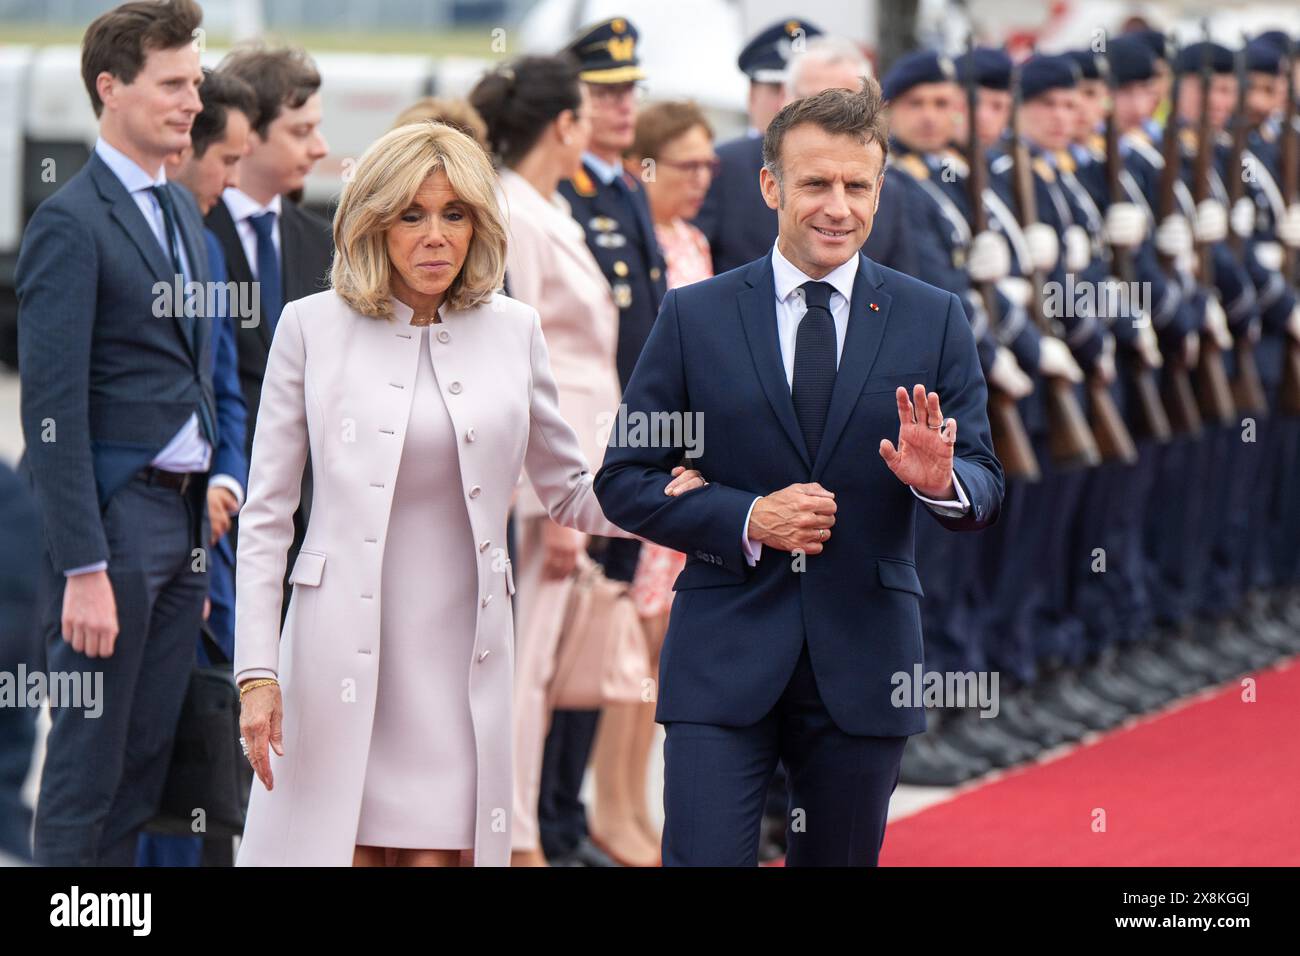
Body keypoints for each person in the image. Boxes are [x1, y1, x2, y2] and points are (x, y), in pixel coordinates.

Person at [232, 120, 700, 867]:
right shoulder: (309, 327)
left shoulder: (513, 330)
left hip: (460, 662)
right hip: (330, 662)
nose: (435, 236)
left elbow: (571, 491)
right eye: (411, 215)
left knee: (440, 852)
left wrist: (680, 501)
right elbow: (265, 519)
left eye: (455, 215)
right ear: (373, 222)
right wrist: (257, 673)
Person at [595, 84, 1004, 866]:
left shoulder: (932, 317)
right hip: (722, 656)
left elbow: (984, 485)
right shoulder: (697, 316)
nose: (837, 207)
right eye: (816, 183)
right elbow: (626, 478)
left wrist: (937, 483)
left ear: (880, 190)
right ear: (771, 185)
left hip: (865, 657)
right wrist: (748, 518)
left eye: (857, 186)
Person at [16, 0, 216, 866]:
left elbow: (199, 380)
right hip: (114, 527)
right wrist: (83, 567)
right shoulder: (70, 222)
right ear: (111, 88)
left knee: (142, 767)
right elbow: (50, 409)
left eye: (197, 83)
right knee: (87, 767)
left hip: (180, 528)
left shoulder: (182, 218)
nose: (192, 102)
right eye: (172, 84)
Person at [468, 55, 620, 867]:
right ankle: (514, 839)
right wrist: (545, 501)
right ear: (564, 124)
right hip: (542, 485)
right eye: (587, 115)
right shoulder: (516, 213)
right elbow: (514, 363)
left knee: (539, 672)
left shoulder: (545, 206)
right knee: (521, 673)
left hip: (575, 473)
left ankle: (522, 828)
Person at [137, 66, 256, 867]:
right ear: (186, 154)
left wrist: (224, 480)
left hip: (208, 543)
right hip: (142, 534)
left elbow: (225, 394)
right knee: (144, 752)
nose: (233, 179)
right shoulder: (123, 239)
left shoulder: (208, 245)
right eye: (227, 161)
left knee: (205, 755)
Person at [693, 18, 823, 275]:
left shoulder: (857, 167)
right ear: (751, 95)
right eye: (776, 89)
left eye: (803, 94)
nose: (789, 104)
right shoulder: (719, 165)